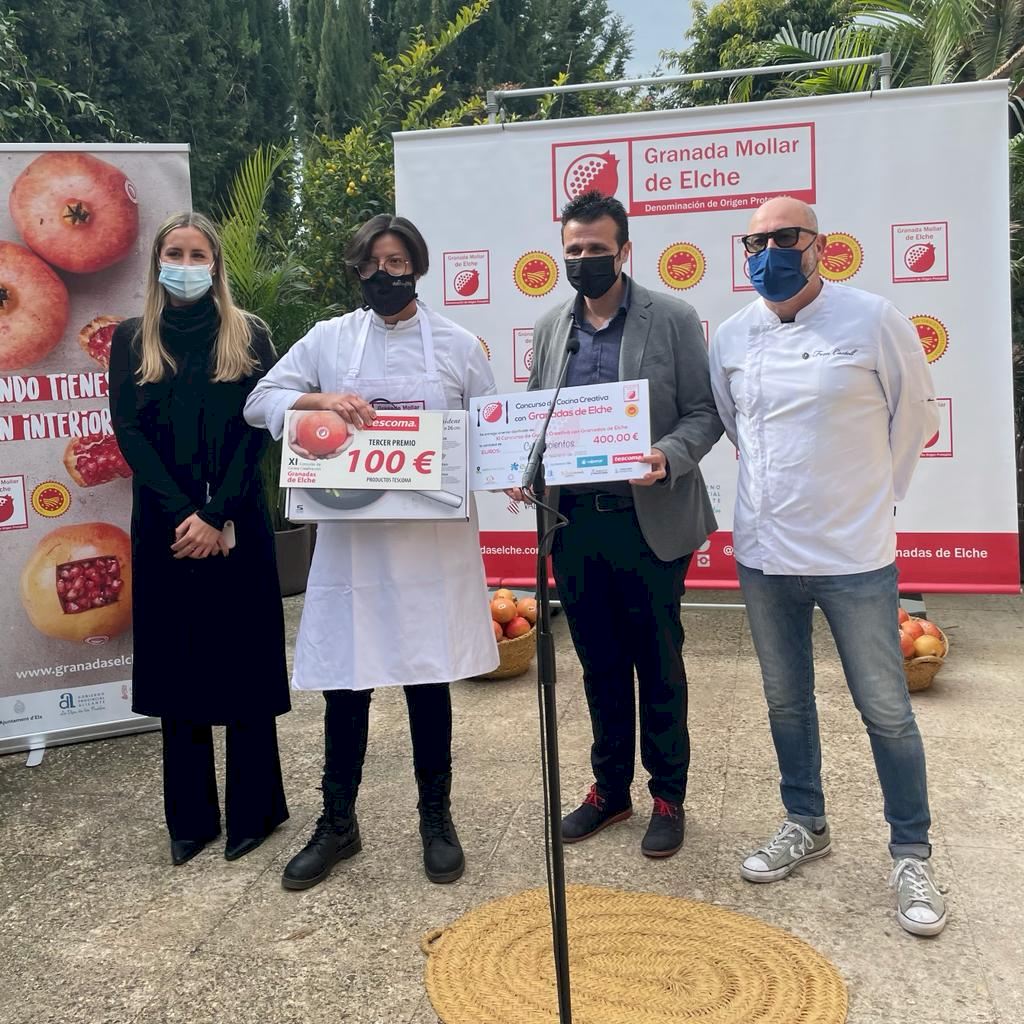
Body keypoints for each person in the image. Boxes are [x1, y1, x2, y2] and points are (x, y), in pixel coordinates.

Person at [709, 196, 946, 936]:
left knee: (886, 709)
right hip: (765, 552)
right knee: (786, 701)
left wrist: (874, 500)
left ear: (819, 245)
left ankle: (911, 852)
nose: (767, 253)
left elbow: (916, 417)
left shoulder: (873, 319)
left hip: (854, 555)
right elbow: (734, 424)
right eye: (754, 242)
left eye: (784, 237)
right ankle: (805, 822)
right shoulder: (732, 335)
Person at [244, 213, 498, 891]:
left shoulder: (457, 344)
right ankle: (338, 823)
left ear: (417, 265)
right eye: (369, 265)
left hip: (429, 545)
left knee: (428, 678)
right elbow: (260, 401)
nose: (382, 275)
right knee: (347, 681)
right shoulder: (329, 339)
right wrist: (320, 399)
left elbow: (491, 426)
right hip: (353, 543)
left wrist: (510, 470)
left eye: (395, 263)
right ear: (355, 271)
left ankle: (436, 818)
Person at [512, 190, 723, 859]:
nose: (584, 260)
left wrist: (669, 454)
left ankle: (668, 795)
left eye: (597, 249)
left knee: (658, 663)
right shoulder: (552, 326)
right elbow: (536, 412)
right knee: (598, 665)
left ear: (624, 251)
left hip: (647, 521)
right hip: (573, 523)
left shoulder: (672, 318)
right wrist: (521, 462)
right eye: (573, 250)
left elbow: (705, 412)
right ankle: (610, 791)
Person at [108, 212, 291, 867]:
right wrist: (184, 512)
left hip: (236, 521)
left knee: (243, 666)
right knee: (178, 668)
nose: (185, 265)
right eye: (174, 253)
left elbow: (259, 430)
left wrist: (215, 515)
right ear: (157, 262)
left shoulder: (249, 334)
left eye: (197, 254)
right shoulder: (133, 338)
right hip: (166, 528)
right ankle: (190, 820)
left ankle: (256, 811)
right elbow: (129, 432)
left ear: (215, 265)